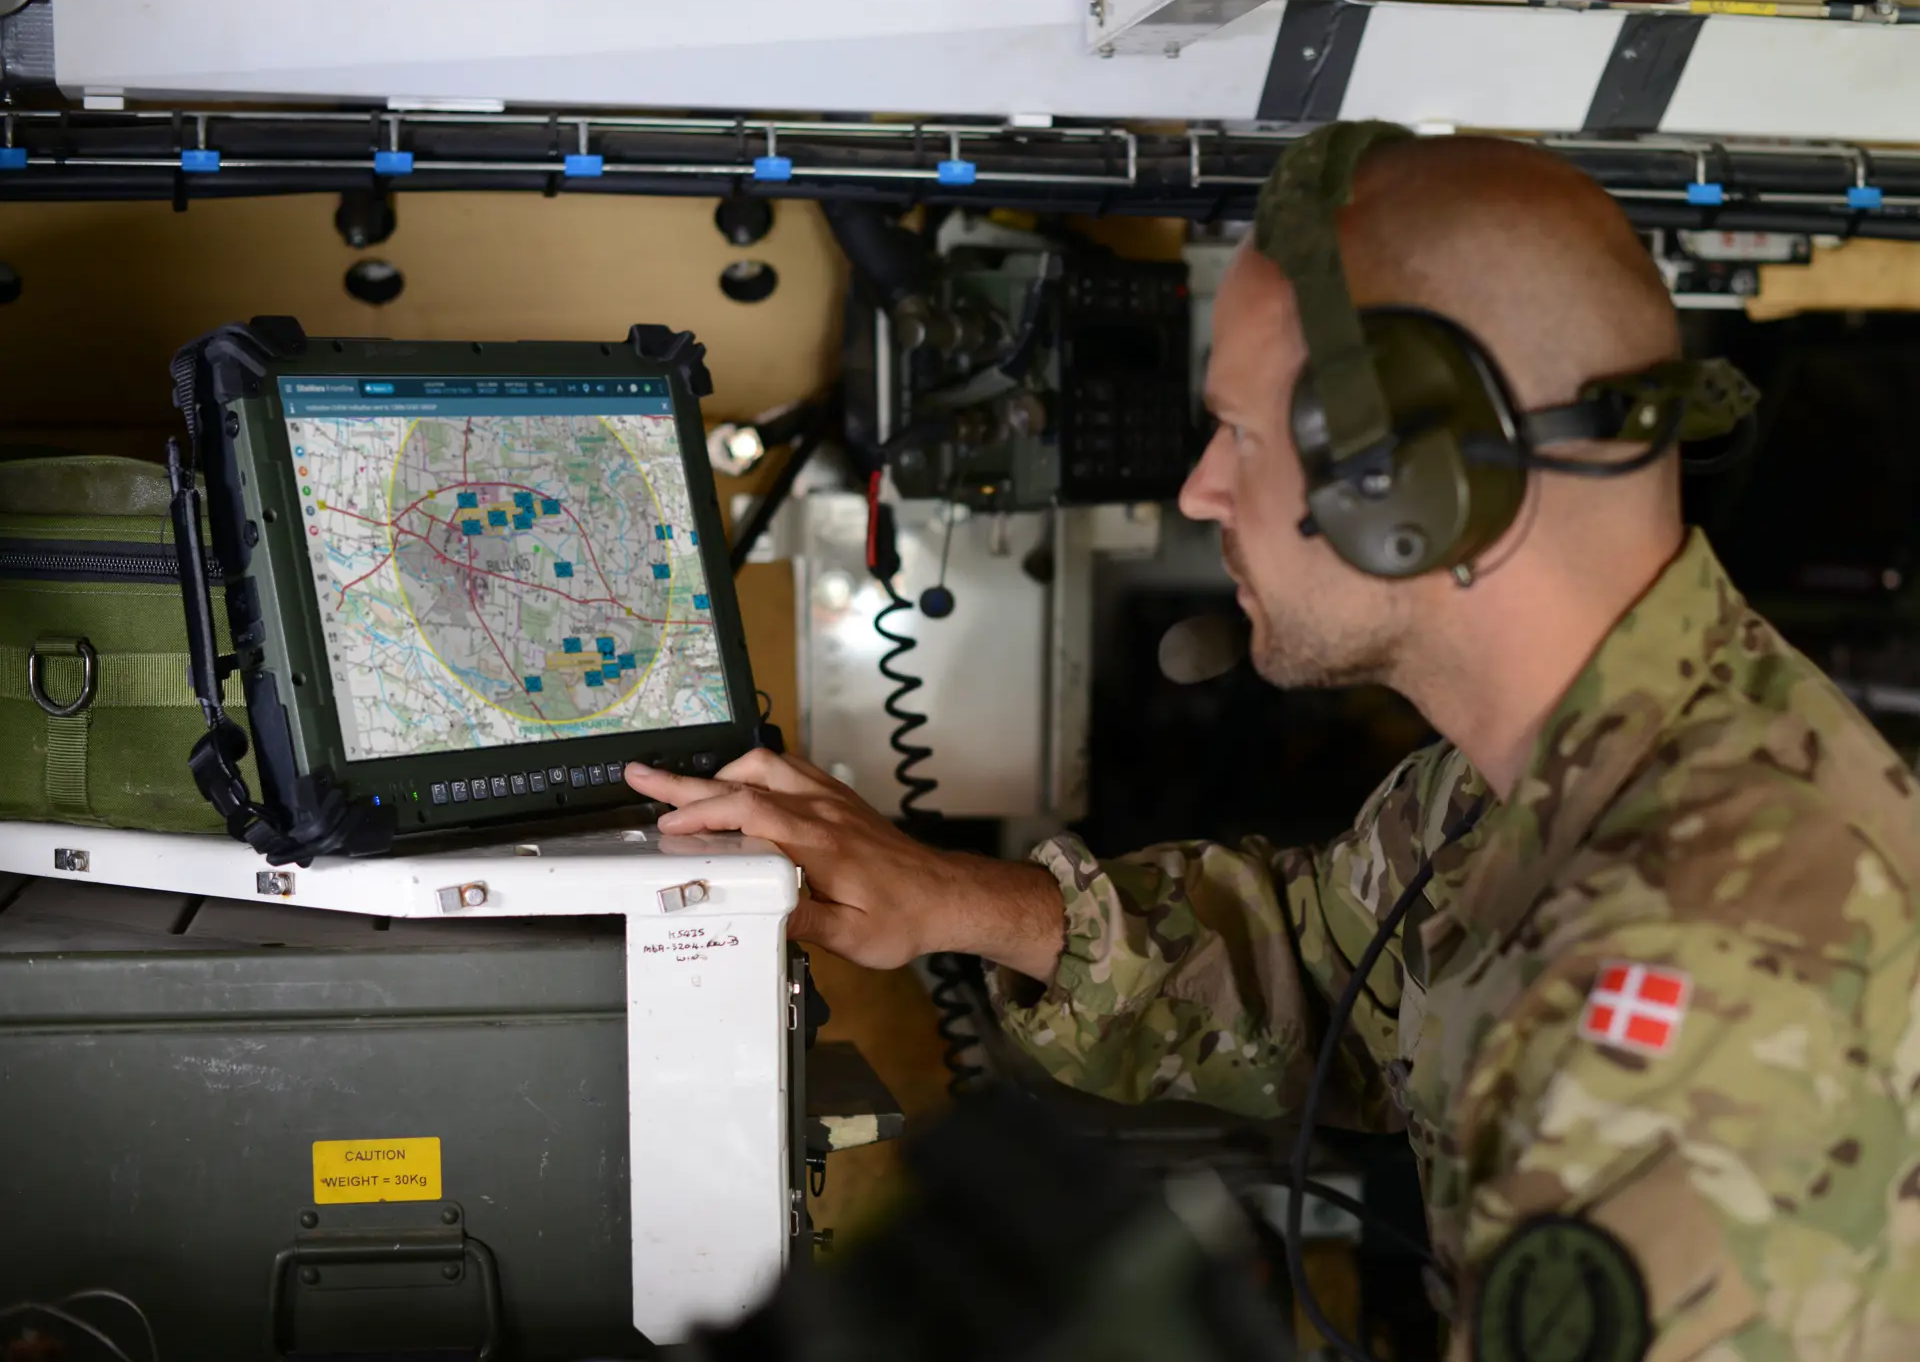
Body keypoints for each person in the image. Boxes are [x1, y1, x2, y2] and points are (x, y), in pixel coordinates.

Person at [626, 125, 1920, 1360]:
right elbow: (1325, 973)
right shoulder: (1526, 782)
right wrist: (953, 902)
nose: (1198, 492)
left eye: (1238, 434)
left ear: (1412, 490)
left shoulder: (1706, 980)